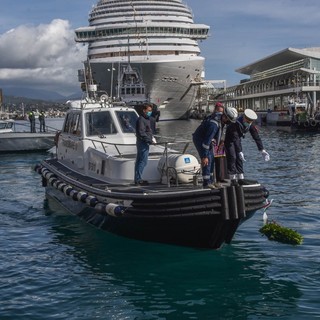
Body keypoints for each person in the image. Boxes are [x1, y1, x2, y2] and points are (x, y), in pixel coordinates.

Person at [192, 104, 238, 189]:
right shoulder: (214, 125)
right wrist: (204, 156)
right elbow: (206, 142)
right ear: (225, 117)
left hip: (208, 139)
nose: (229, 123)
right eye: (229, 120)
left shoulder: (221, 121)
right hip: (200, 139)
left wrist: (221, 141)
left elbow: (220, 133)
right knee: (207, 159)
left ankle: (212, 181)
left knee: (212, 158)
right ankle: (206, 183)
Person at [224, 108, 270, 185]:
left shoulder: (250, 125)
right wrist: (239, 151)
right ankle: (232, 179)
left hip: (237, 139)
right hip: (229, 140)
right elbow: (235, 138)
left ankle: (241, 178)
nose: (249, 123)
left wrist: (262, 150)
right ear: (244, 118)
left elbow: (256, 137)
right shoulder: (235, 123)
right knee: (232, 157)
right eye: (248, 121)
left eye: (251, 122)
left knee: (239, 159)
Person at [134, 104, 156, 186]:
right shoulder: (141, 120)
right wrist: (149, 140)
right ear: (144, 110)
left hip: (144, 142)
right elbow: (141, 132)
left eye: (151, 111)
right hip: (143, 143)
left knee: (140, 161)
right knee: (143, 161)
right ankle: (138, 179)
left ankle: (137, 179)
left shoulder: (146, 119)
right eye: (149, 110)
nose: (150, 112)